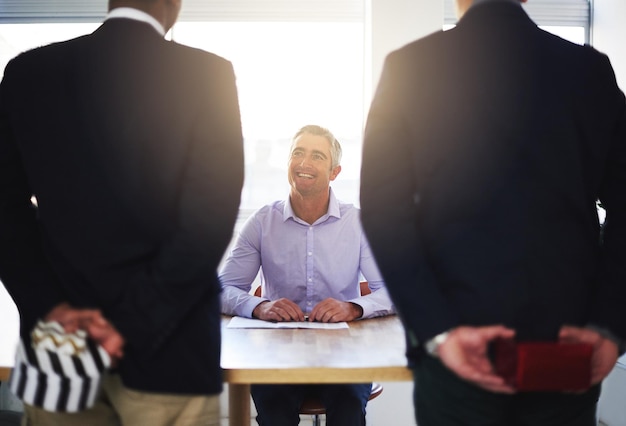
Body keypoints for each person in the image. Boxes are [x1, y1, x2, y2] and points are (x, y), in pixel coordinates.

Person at [360, 0, 626, 425]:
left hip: (459, 349)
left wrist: (438, 328)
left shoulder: (410, 68)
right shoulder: (588, 70)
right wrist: (609, 324)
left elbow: (382, 210)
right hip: (565, 347)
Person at [0, 0, 244, 424]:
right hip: (170, 349)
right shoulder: (207, 75)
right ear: (174, 5)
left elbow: (4, 208)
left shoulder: (27, 72)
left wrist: (53, 310)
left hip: (58, 345)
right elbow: (208, 220)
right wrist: (128, 325)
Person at [220, 124, 394, 426]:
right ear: (288, 163)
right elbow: (221, 290)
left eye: (317, 156)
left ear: (334, 172)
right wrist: (259, 306)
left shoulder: (359, 223)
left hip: (344, 355)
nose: (304, 163)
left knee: (349, 412)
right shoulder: (262, 222)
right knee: (274, 415)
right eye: (298, 153)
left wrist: (352, 307)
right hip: (277, 353)